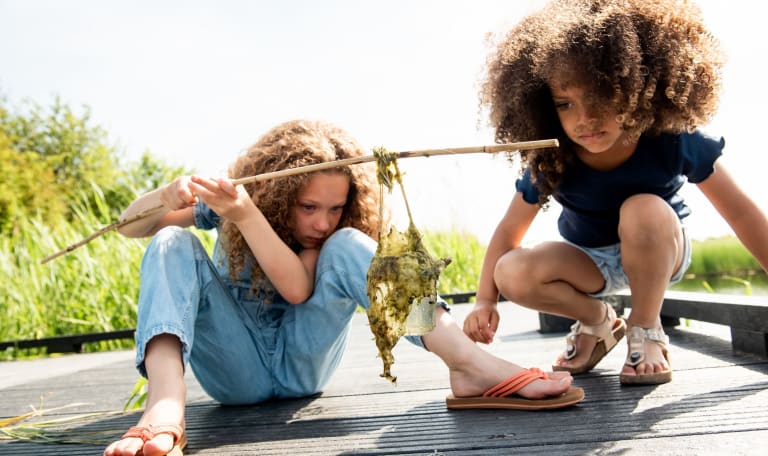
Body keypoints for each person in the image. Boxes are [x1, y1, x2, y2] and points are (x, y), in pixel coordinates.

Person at [104, 119, 581, 456]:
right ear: (278, 194)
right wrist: (164, 197)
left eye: (334, 208)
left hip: (301, 367)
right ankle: (166, 404)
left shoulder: (325, 237)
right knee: (169, 239)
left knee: (351, 245)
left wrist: (248, 215)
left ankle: (468, 362)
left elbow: (296, 290)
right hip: (237, 373)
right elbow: (128, 228)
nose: (321, 222)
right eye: (309, 207)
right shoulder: (232, 208)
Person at [463, 0, 768, 386]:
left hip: (659, 249)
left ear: (637, 88)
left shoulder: (672, 138)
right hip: (590, 262)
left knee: (642, 209)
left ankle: (645, 327)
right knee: (511, 271)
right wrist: (485, 300)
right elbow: (509, 233)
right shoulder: (552, 157)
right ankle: (597, 321)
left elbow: (740, 213)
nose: (584, 119)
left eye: (600, 98)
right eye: (565, 104)